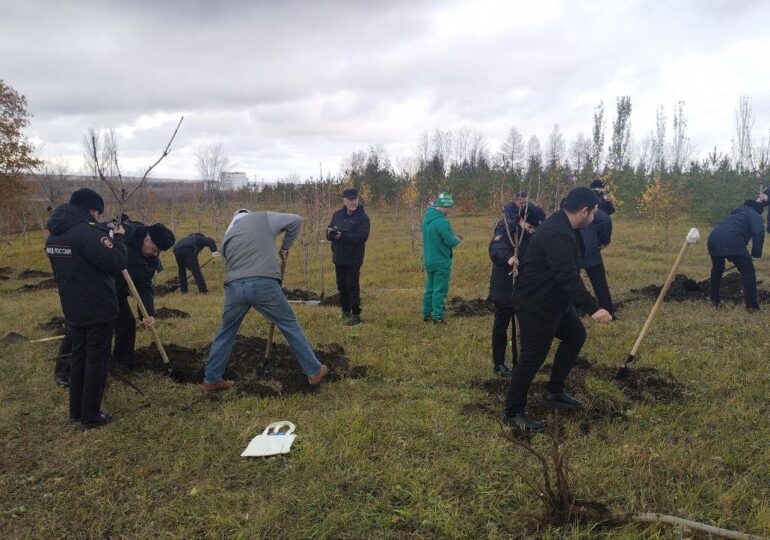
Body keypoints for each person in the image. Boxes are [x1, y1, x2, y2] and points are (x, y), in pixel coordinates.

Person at [502, 187, 613, 432]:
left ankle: (554, 391)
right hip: (535, 303)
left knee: (575, 335)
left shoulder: (566, 227)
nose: (595, 216)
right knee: (532, 357)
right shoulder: (557, 233)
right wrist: (593, 308)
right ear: (584, 211)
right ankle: (512, 412)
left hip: (555, 302)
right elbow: (567, 276)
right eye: (594, 211)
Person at [203, 209, 328, 392]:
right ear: (249, 215)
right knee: (289, 324)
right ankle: (314, 371)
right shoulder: (261, 218)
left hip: (234, 287)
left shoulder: (228, 237)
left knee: (226, 331)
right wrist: (284, 248)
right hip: (263, 283)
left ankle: (211, 379)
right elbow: (296, 220)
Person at [46, 188, 128, 430]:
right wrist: (119, 238)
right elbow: (116, 262)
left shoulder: (54, 236)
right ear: (91, 209)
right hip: (98, 307)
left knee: (79, 357)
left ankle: (76, 411)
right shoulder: (87, 233)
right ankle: (91, 416)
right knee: (96, 361)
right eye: (96, 212)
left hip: (72, 306)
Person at [487, 203, 545, 377]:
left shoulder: (534, 233)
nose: (532, 231)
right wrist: (508, 258)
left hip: (525, 288)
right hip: (505, 285)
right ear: (522, 219)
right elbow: (495, 248)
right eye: (530, 227)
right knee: (501, 326)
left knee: (526, 327)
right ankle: (499, 363)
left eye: (535, 229)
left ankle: (522, 361)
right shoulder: (506, 227)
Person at [113, 219, 175, 370]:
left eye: (158, 251)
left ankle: (122, 365)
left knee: (127, 324)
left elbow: (145, 285)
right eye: (154, 249)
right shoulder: (123, 235)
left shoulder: (152, 259)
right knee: (92, 325)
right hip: (97, 286)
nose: (155, 254)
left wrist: (148, 313)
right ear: (147, 238)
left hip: (118, 292)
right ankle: (68, 367)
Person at [707, 199, 765, 311]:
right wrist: (756, 254)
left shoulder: (734, 214)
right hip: (733, 242)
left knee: (717, 269)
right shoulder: (754, 214)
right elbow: (759, 233)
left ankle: (714, 300)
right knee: (748, 272)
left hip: (713, 239)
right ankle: (752, 306)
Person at [326, 188, 371, 326]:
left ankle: (356, 315)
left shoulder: (363, 218)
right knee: (341, 285)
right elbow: (328, 232)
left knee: (352, 285)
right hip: (339, 257)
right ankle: (345, 311)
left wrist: (342, 236)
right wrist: (331, 234)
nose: (353, 202)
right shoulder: (337, 215)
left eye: (355, 199)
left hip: (353, 258)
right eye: (350, 199)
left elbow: (362, 237)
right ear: (344, 201)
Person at [422, 192, 461, 323]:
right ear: (445, 206)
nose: (450, 210)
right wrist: (457, 238)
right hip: (441, 261)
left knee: (430, 289)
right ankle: (438, 317)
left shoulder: (427, 220)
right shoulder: (442, 222)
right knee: (440, 290)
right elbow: (450, 241)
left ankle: (426, 314)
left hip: (429, 260)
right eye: (450, 207)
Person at [579, 206, 615, 316]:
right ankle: (607, 310)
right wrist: (604, 241)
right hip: (590, 249)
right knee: (599, 283)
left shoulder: (569, 207)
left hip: (573, 247)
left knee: (572, 281)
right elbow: (606, 220)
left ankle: (576, 309)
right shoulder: (590, 205)